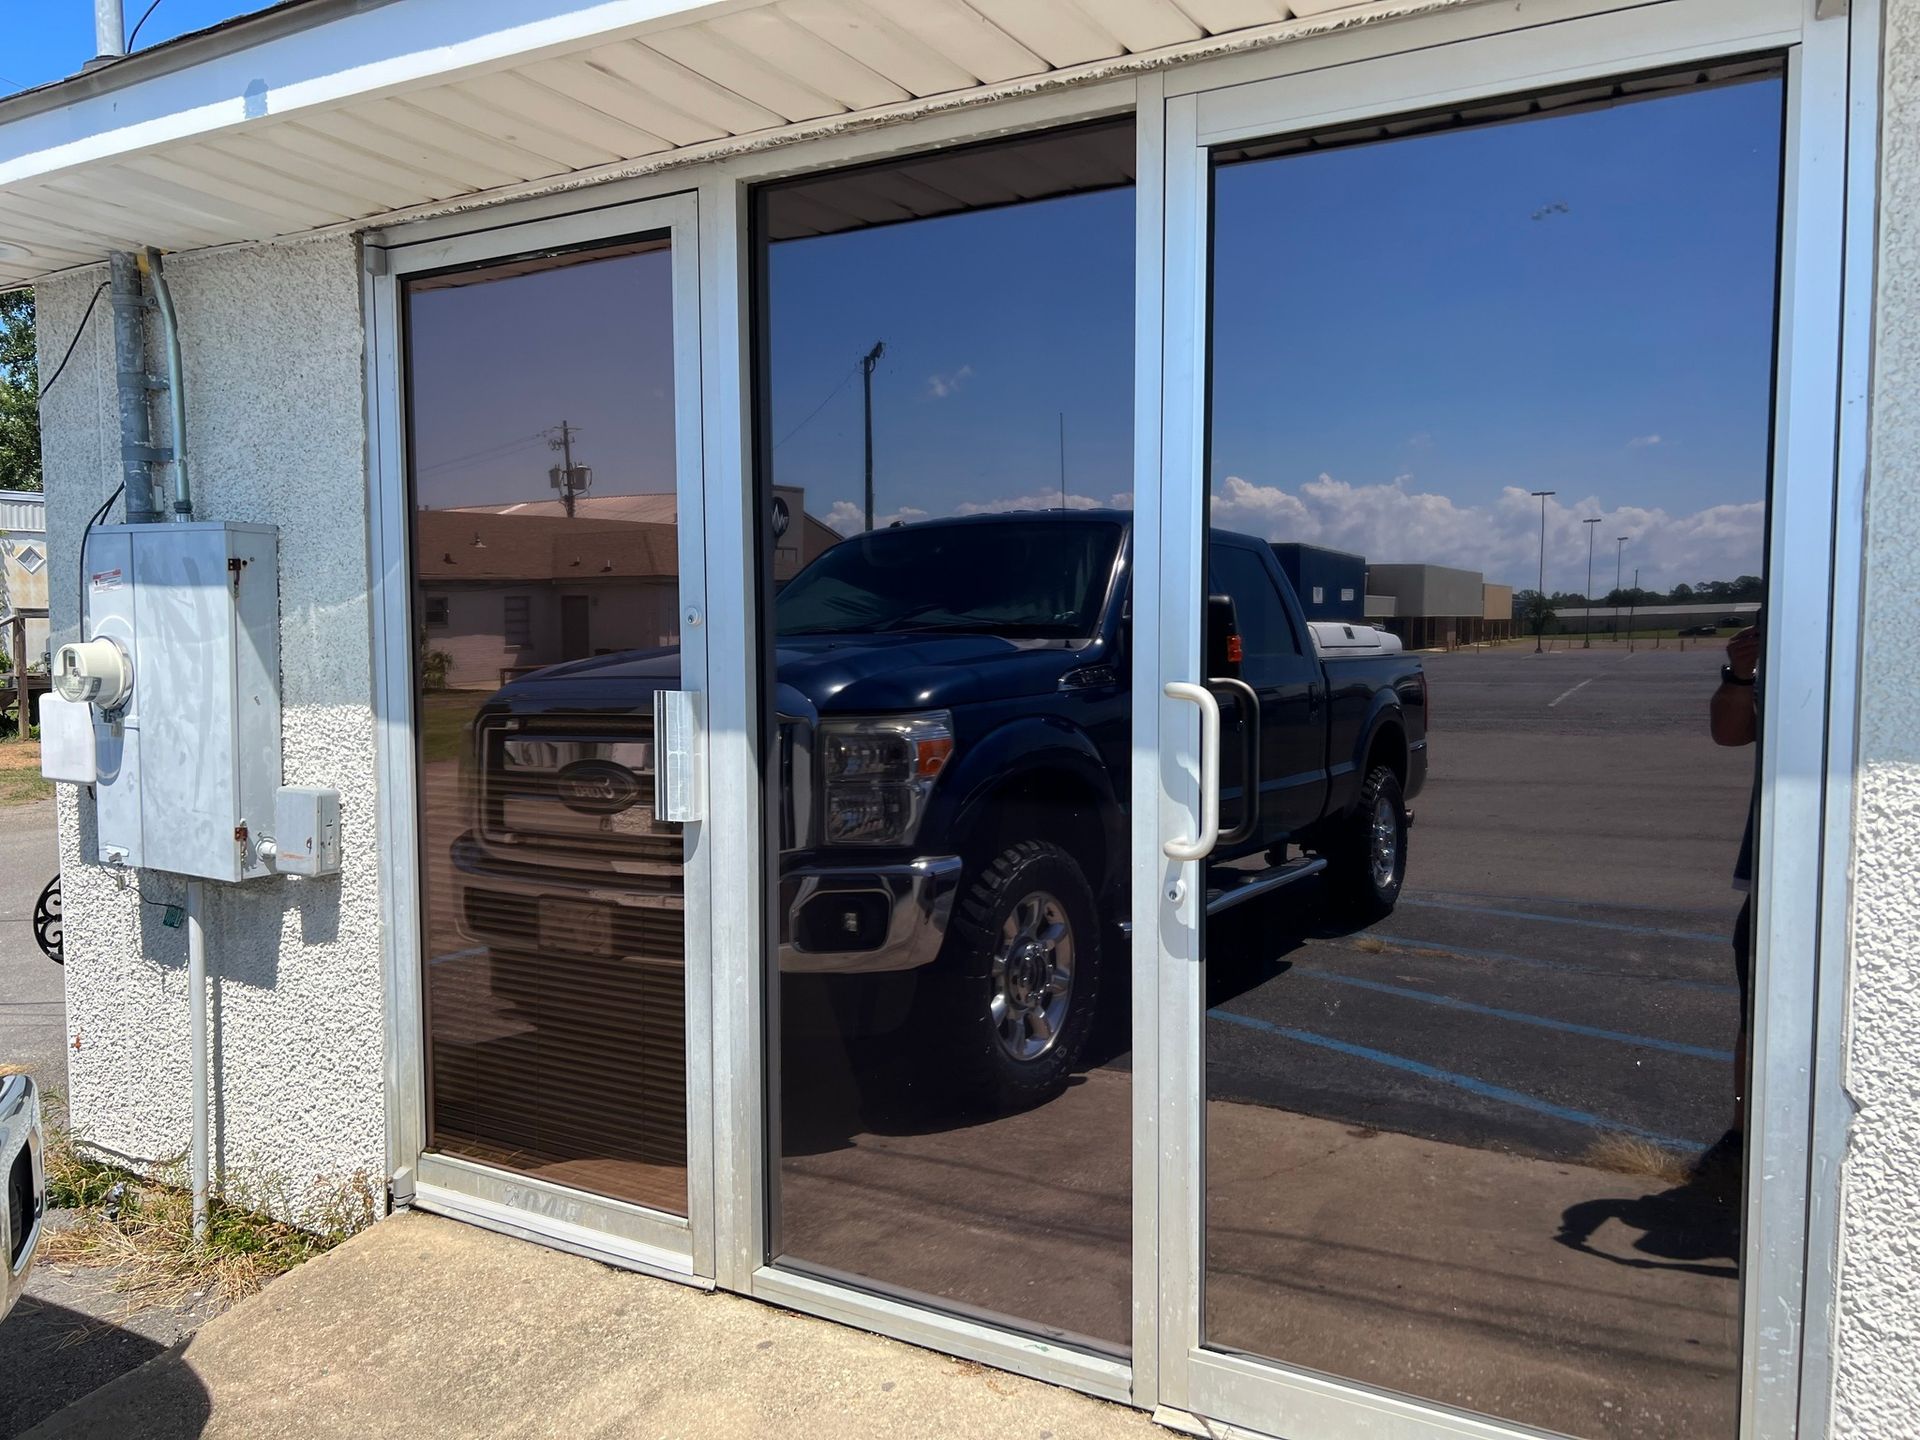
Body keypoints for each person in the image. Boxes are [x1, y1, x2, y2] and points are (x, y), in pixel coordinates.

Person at [1706, 623, 1760, 1169]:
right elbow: (1727, 733)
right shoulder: (1784, 676)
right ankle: (1744, 1132)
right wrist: (1741, 674)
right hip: (1772, 875)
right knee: (1757, 1010)